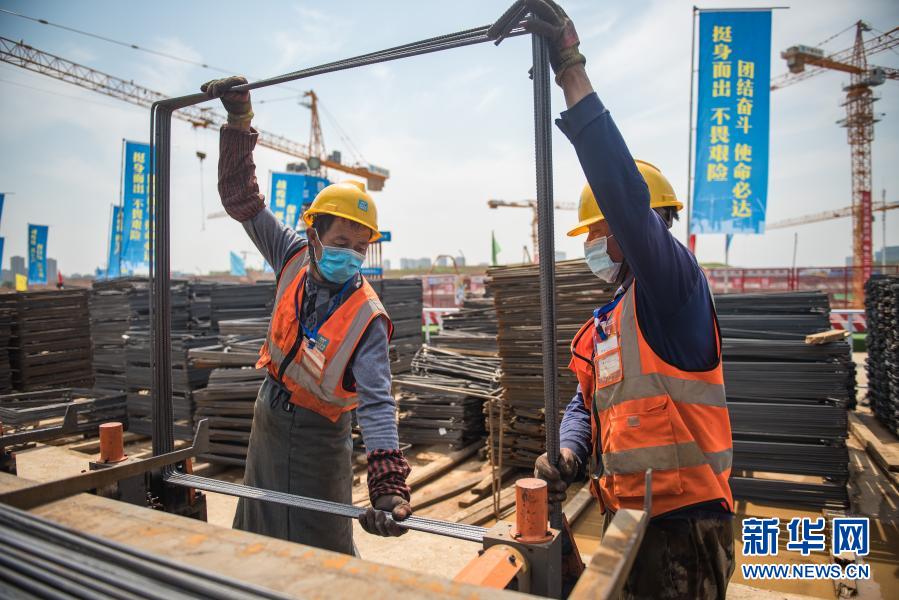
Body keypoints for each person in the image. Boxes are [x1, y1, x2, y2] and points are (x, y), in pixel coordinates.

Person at [525, 2, 735, 598]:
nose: (592, 244)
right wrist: (570, 451)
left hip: (685, 525)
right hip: (628, 518)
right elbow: (585, 401)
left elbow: (623, 197)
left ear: (633, 228)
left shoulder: (673, 288)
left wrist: (571, 72)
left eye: (598, 231)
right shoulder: (608, 322)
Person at [202, 76, 412, 555]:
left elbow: (377, 402)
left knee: (320, 550)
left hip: (322, 438)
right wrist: (238, 120)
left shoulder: (367, 318)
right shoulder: (291, 253)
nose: (350, 255)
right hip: (268, 417)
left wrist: (387, 482)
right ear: (314, 234)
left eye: (360, 247)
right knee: (257, 533)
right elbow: (241, 197)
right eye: (340, 243)